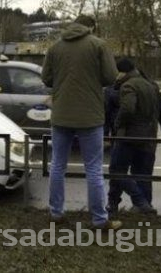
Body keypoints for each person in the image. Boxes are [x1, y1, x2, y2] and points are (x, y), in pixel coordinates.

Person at [42, 15, 121, 229]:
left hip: (61, 115)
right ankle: (99, 219)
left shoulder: (55, 47)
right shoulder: (98, 45)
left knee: (57, 165)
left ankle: (56, 213)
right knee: (94, 169)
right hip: (90, 116)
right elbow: (111, 77)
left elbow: (46, 79)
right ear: (91, 27)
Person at [105, 58, 161, 215]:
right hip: (148, 137)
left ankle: (133, 203)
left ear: (121, 72)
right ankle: (144, 206)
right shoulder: (151, 85)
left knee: (117, 171)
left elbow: (116, 112)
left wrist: (113, 128)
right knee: (143, 173)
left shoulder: (120, 87)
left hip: (126, 136)